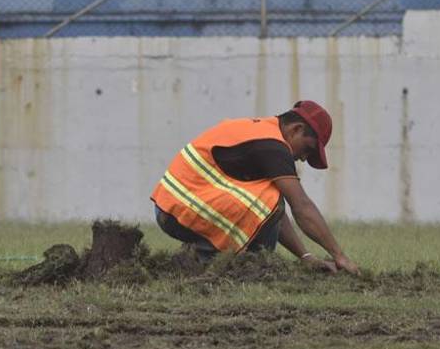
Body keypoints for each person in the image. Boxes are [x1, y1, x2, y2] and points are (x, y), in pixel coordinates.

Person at [151, 100, 360, 275]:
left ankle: (210, 257)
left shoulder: (260, 131)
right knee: (272, 199)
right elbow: (301, 207)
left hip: (173, 207)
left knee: (270, 199)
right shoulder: (272, 145)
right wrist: (339, 256)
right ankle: (208, 261)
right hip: (178, 208)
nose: (304, 158)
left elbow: (271, 213)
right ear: (296, 129)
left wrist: (306, 257)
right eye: (308, 149)